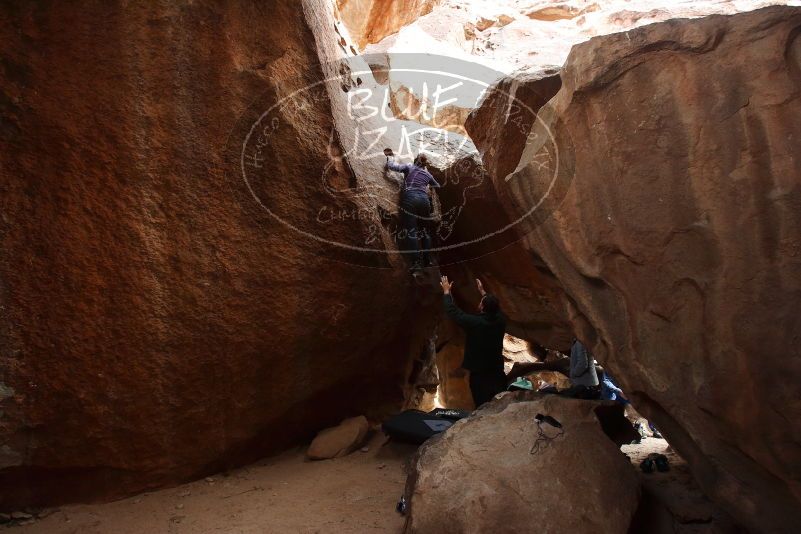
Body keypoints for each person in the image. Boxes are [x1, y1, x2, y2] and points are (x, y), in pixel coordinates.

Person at [440, 276, 507, 407]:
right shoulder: (501, 320)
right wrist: (483, 291)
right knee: (500, 401)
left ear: (482, 306)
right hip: (496, 370)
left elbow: (454, 312)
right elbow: (494, 307)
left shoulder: (475, 323)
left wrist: (446, 292)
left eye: (482, 301)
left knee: (482, 403)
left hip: (479, 373)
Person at [386, 152, 440, 270]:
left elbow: (392, 167)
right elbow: (437, 186)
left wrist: (390, 158)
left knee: (412, 231)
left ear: (415, 160)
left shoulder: (409, 167)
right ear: (425, 164)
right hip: (424, 200)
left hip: (410, 197)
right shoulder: (427, 174)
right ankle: (427, 260)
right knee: (425, 232)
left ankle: (416, 263)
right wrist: (427, 186)